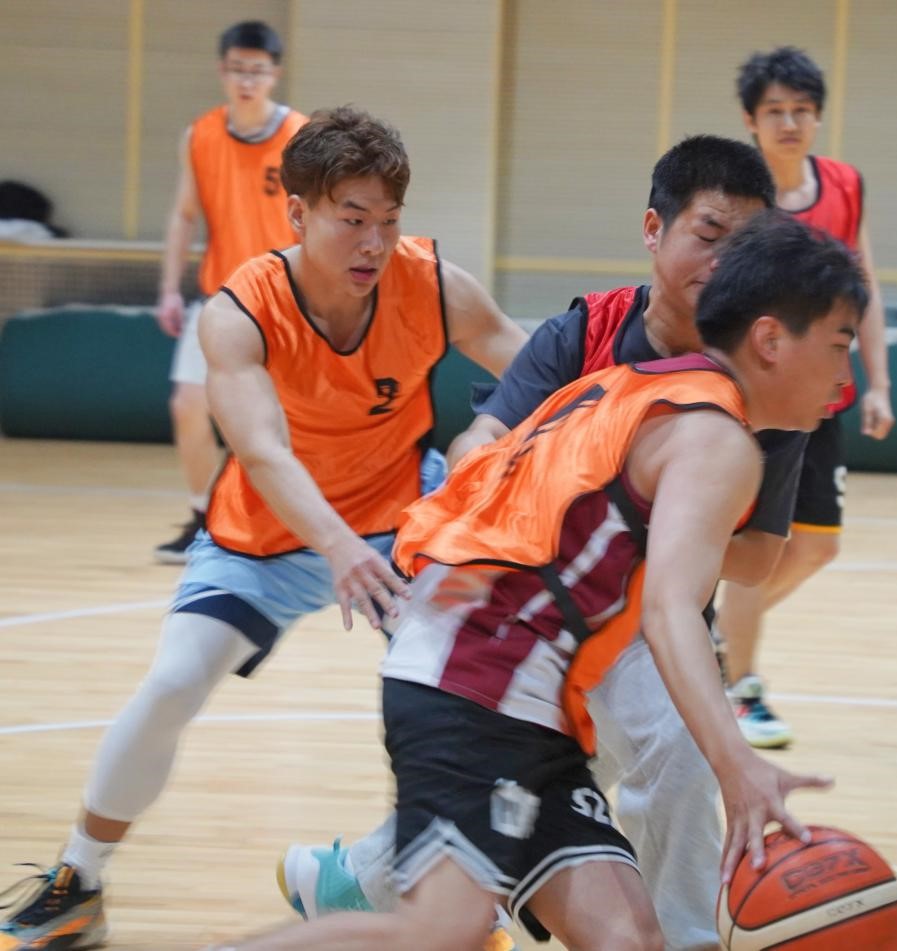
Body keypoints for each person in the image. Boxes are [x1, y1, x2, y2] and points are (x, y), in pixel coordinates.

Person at [213, 207, 860, 951]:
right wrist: (736, 764)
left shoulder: (638, 385)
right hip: (475, 683)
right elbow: (671, 609)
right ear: (771, 339)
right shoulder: (714, 436)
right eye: (839, 346)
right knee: (441, 931)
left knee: (629, 941)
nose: (845, 379)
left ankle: (356, 876)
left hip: (520, 695)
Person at [0, 106, 527, 951]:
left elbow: (538, 371)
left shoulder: (433, 286)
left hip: (402, 517)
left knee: (480, 688)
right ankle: (77, 882)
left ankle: (419, 884)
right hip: (267, 532)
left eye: (388, 220)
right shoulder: (241, 311)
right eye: (351, 218)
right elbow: (262, 452)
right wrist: (338, 545)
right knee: (173, 683)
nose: (373, 242)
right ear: (297, 212)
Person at [714, 46, 895, 749]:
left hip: (825, 399)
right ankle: (741, 687)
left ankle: (717, 639)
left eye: (801, 110)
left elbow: (864, 288)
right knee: (758, 545)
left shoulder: (845, 185)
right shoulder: (741, 200)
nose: (789, 123)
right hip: (761, 402)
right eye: (775, 112)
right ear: (750, 121)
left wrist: (879, 383)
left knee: (818, 545)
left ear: (818, 117)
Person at [153, 20, 307, 565]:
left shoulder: (299, 137)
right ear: (222, 70)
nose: (247, 81)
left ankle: (278, 523)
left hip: (285, 301)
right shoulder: (200, 135)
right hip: (219, 298)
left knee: (279, 423)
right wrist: (169, 289)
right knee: (187, 405)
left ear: (275, 74)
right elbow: (184, 215)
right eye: (238, 70)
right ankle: (202, 516)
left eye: (257, 71)